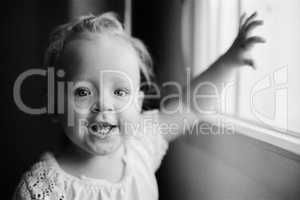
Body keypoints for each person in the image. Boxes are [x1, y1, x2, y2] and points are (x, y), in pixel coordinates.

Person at [13, 12, 264, 200]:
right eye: (83, 92)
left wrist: (229, 61)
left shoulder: (141, 142)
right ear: (56, 106)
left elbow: (190, 106)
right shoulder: (43, 188)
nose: (104, 105)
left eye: (120, 91)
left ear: (139, 104)